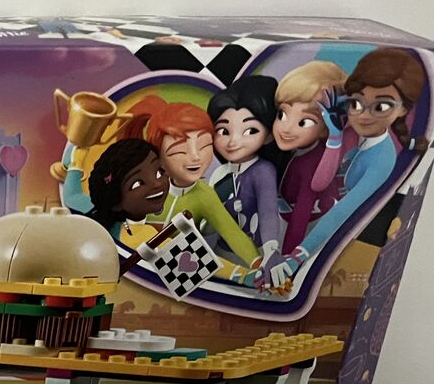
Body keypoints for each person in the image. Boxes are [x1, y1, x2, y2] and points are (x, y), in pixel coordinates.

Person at [269, 47, 427, 286]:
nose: (363, 115)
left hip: (332, 238)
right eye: (356, 103)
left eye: (381, 106)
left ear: (403, 109)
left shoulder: (381, 160)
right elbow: (320, 181)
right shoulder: (348, 132)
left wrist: (296, 257)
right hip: (298, 220)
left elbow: (341, 211)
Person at [127, 95, 262, 266]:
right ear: (158, 155)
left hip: (176, 269)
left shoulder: (204, 195)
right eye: (180, 150)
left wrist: (258, 265)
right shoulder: (143, 184)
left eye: (204, 146)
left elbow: (232, 233)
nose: (196, 157)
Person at [208, 76, 285, 279]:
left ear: (269, 134)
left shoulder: (263, 171)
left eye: (250, 131)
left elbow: (268, 211)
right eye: (223, 131)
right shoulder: (219, 173)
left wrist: (271, 249)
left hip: (255, 255)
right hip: (221, 251)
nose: (233, 141)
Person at [272, 60, 349, 254]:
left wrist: (288, 260)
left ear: (325, 128)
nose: (286, 128)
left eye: (304, 122)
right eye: (282, 115)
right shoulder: (293, 151)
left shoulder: (311, 165)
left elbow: (301, 217)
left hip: (311, 230)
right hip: (286, 218)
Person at [59, 137, 170, 245]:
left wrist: (75, 164)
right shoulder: (144, 234)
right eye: (137, 184)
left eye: (159, 172)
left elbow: (72, 196)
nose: (157, 184)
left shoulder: (96, 211)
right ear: (116, 201)